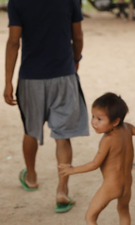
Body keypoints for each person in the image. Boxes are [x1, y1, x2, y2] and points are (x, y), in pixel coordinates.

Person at [4, 0, 89, 213]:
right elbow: (77, 36)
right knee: (62, 135)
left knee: (30, 130)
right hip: (63, 75)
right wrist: (76, 59)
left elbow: (14, 42)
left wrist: (7, 81)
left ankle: (31, 177)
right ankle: (62, 190)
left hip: (30, 78)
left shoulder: (17, 2)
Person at [58, 93, 135, 225]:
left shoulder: (108, 140)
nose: (94, 122)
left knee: (90, 217)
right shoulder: (128, 128)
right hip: (127, 184)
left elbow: (94, 164)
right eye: (93, 117)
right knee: (124, 210)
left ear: (115, 121)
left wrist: (72, 170)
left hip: (111, 185)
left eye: (99, 119)